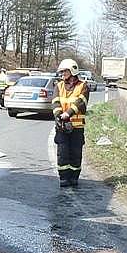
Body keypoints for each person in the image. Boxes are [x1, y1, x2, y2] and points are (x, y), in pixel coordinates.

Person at [52, 58, 90, 187]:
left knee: (75, 153)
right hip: (62, 126)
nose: (63, 75)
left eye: (65, 72)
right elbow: (55, 102)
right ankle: (63, 178)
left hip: (77, 127)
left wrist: (67, 114)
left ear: (73, 71)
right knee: (62, 153)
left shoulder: (83, 86)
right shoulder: (59, 86)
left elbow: (80, 102)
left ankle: (74, 178)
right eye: (62, 72)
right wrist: (58, 116)